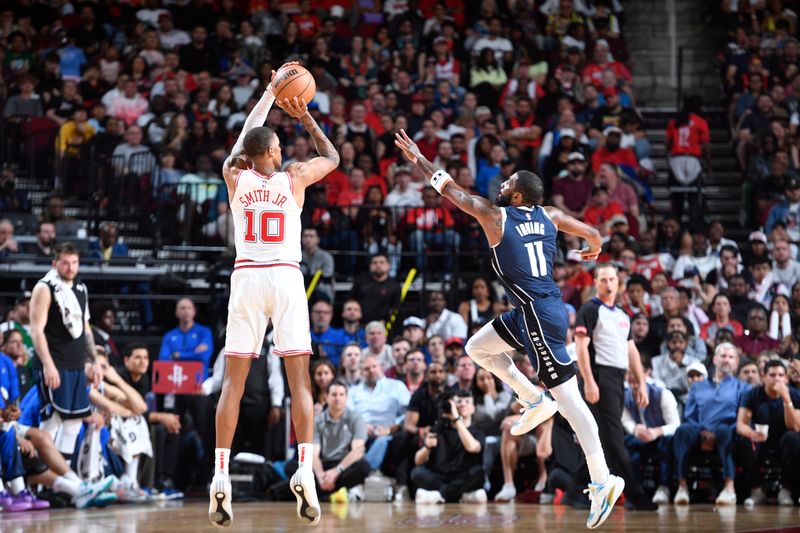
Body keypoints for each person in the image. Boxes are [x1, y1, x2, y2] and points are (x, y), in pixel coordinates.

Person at [394, 129, 626, 529]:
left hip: (539, 314)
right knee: (477, 347)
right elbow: (591, 231)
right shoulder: (550, 215)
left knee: (571, 403)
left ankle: (603, 479)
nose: (500, 186)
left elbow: (451, 192)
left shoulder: (495, 214)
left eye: (507, 184)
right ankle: (532, 399)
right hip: (533, 310)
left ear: (517, 196)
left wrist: (419, 159)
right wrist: (595, 243)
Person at [210, 62, 340, 528]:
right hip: (285, 278)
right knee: (299, 382)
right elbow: (334, 158)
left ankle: (220, 475)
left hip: (246, 278)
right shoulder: (294, 179)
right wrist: (304, 114)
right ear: (275, 151)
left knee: (233, 384)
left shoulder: (236, 177)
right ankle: (305, 465)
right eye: (279, 145)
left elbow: (247, 136)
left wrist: (268, 93)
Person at [573, 264, 657, 511]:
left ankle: (574, 490)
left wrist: (641, 382)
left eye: (612, 279)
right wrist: (588, 381)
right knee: (613, 438)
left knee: (601, 437)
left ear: (618, 284)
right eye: (603, 280)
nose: (608, 284)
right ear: (596, 283)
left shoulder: (622, 314)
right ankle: (635, 494)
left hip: (617, 378)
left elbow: (631, 349)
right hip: (599, 376)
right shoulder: (589, 309)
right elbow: (580, 347)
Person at [29, 242, 101, 460]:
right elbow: (36, 331)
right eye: (65, 263)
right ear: (55, 263)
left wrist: (94, 360)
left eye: (74, 263)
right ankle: (40, 480)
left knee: (73, 422)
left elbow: (85, 328)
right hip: (54, 364)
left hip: (76, 364)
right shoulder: (45, 287)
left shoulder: (80, 287)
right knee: (52, 421)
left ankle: (62, 482)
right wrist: (48, 365)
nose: (70, 268)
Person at [672, 343, 750, 506]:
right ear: (715, 359)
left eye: (731, 357)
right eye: (723, 356)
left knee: (724, 431)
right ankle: (682, 487)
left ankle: (729, 488)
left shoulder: (742, 387)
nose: (726, 360)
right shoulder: (698, 386)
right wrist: (703, 432)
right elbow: (690, 415)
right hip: (700, 431)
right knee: (682, 430)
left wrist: (715, 434)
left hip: (727, 431)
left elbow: (743, 418)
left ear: (736, 362)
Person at [284, 381, 370, 501]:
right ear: (327, 397)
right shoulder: (317, 420)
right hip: (322, 465)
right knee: (291, 467)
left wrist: (336, 472)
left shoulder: (356, 418)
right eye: (334, 395)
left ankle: (319, 492)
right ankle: (330, 491)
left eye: (341, 395)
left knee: (364, 467)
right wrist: (320, 476)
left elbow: (358, 451)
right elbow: (313, 453)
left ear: (346, 398)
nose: (337, 398)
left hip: (343, 465)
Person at [736, 359, 800, 506]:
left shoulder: (795, 395)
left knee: (794, 438)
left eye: (780, 375)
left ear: (786, 378)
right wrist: (751, 433)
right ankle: (757, 490)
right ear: (763, 376)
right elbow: (740, 425)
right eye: (772, 374)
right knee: (744, 440)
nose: (776, 378)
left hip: (785, 443)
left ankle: (786, 490)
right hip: (761, 440)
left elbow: (796, 426)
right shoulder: (752, 395)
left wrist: (786, 399)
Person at [411, 390, 487, 503]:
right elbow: (418, 461)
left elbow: (472, 447)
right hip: (439, 476)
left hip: (463, 476)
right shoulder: (438, 429)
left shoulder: (477, 431)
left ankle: (438, 495)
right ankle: (458, 496)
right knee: (417, 473)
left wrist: (456, 419)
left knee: (479, 473)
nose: (462, 404)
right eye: (459, 401)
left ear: (473, 408)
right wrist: (427, 447)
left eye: (467, 401)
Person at [621, 365, 681, 505]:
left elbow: (675, 425)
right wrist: (636, 429)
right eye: (630, 376)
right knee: (627, 442)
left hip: (660, 436)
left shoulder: (662, 394)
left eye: (636, 378)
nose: (633, 382)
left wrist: (656, 432)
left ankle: (664, 487)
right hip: (642, 436)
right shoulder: (625, 395)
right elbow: (626, 419)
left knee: (668, 441)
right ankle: (636, 488)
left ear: (646, 375)